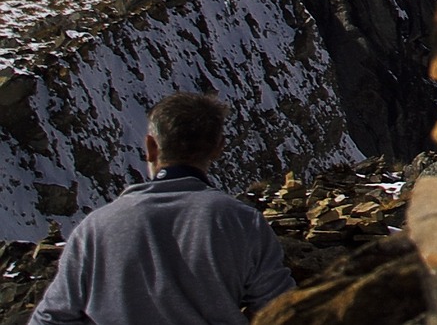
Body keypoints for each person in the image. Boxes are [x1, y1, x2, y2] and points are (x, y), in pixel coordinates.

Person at [31, 92, 295, 324]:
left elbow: (51, 318)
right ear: (218, 149)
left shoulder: (95, 228)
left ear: (151, 147)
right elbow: (284, 313)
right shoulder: (242, 222)